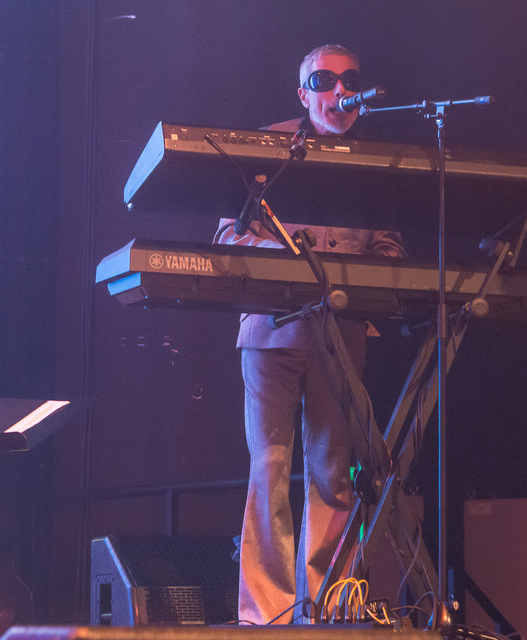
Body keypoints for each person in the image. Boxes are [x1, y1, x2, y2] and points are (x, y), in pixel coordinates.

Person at [213, 44, 405, 624]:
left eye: (350, 79)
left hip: (340, 333)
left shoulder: (374, 159)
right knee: (269, 468)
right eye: (324, 80)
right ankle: (265, 614)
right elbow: (227, 237)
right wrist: (286, 263)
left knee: (333, 473)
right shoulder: (267, 146)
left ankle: (325, 610)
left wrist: (361, 273)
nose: (339, 90)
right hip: (271, 329)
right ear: (304, 95)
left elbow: (390, 249)